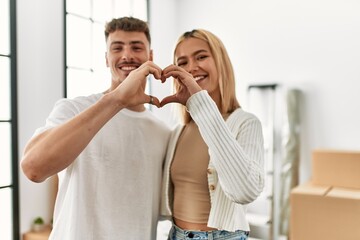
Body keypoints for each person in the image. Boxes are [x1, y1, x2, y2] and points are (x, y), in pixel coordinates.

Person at [21, 17, 171, 240]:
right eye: (117, 47)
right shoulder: (72, 109)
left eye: (136, 47)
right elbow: (33, 168)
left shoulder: (162, 132)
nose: (127, 55)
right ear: (106, 58)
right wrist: (116, 99)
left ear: (151, 57)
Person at [159, 29, 265, 239]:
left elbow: (245, 191)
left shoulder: (245, 123)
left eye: (201, 57)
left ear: (221, 62)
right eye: (182, 62)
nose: (191, 68)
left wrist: (201, 105)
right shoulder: (178, 131)